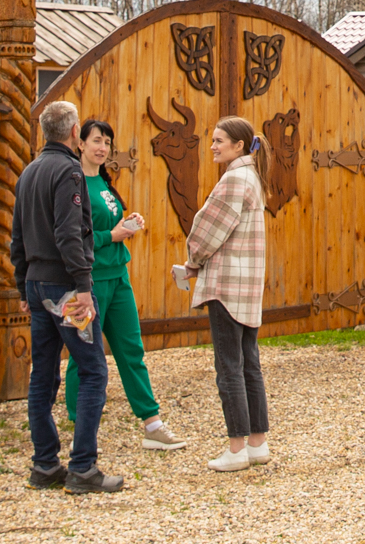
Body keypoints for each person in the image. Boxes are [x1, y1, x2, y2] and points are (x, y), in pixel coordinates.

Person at [8, 99, 123, 494]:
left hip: (37, 286)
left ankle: (44, 464)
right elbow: (69, 234)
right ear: (75, 132)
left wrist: (22, 285)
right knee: (92, 370)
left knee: (43, 373)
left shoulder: (28, 172)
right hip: (67, 290)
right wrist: (84, 287)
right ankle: (83, 467)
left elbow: (17, 237)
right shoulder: (69, 171)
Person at [66, 118, 188, 451]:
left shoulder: (104, 183)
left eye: (107, 142)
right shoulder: (73, 184)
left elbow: (105, 226)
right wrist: (112, 235)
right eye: (96, 140)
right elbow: (72, 238)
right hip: (88, 282)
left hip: (118, 277)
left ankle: (153, 424)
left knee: (131, 350)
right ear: (80, 144)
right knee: (83, 354)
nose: (102, 147)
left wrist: (127, 224)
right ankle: (80, 426)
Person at [180, 116, 270, 473]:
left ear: (238, 145)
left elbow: (206, 232)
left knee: (229, 367)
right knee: (249, 364)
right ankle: (257, 443)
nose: (213, 146)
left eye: (219, 140)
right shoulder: (253, 177)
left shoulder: (233, 179)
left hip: (226, 286)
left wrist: (192, 261)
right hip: (246, 286)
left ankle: (236, 448)